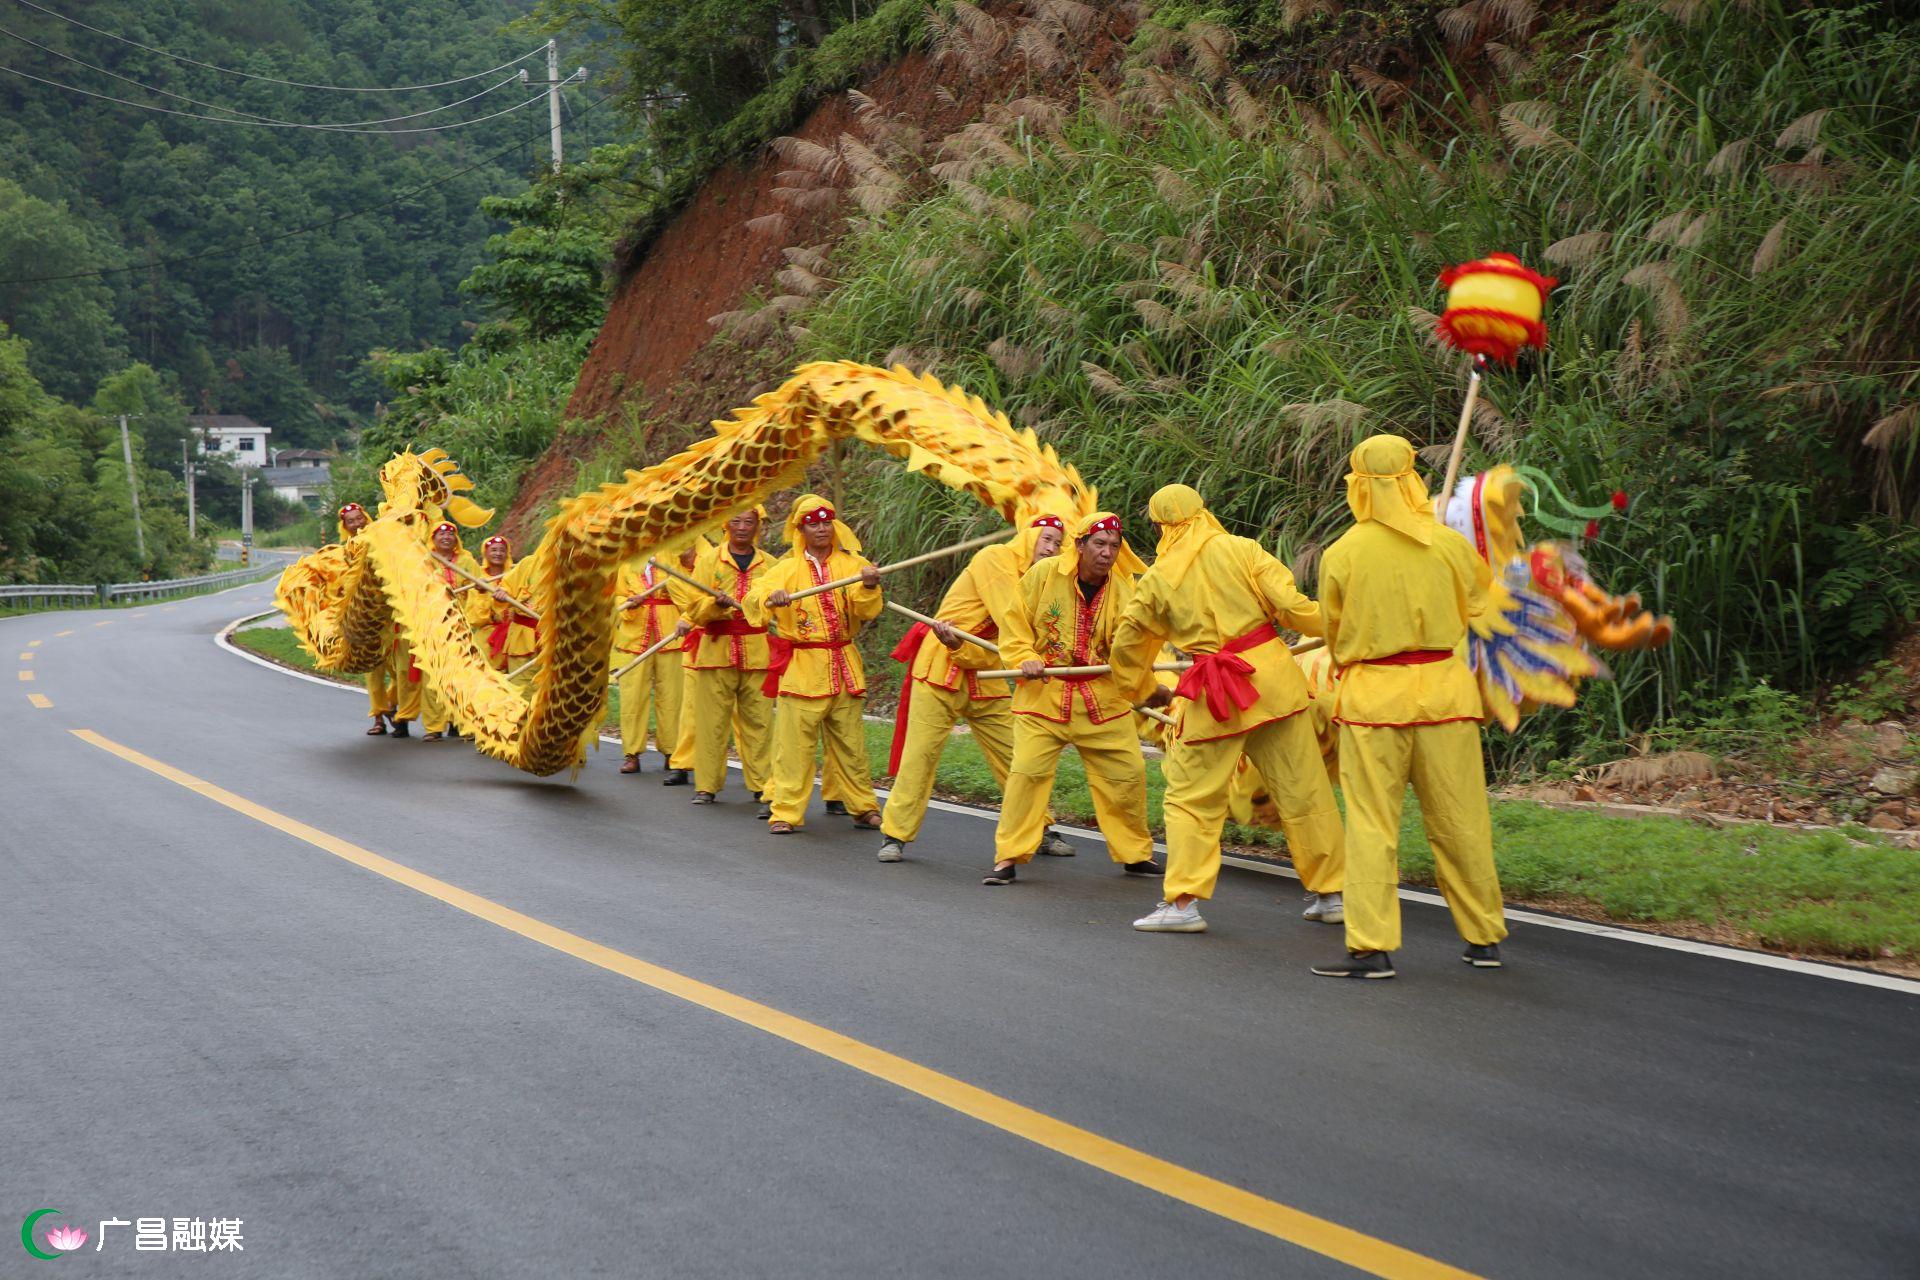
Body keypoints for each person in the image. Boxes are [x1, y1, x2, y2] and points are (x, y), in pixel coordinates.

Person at [1309, 434, 1505, 979]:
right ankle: (1484, 938)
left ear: (1361, 487)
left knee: (1373, 825)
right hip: (1446, 696)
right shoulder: (1448, 545)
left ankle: (1371, 949)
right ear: (1412, 480)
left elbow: (1333, 631)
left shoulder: (1342, 552)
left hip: (1375, 701)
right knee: (1462, 818)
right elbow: (1478, 603)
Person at [1110, 484, 1345, 934]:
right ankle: (1331, 893)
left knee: (1191, 799)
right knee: (1304, 792)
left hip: (1214, 697)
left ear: (1161, 526)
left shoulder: (1158, 578)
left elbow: (1130, 640)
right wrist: (1344, 625)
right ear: (1202, 512)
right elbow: (1294, 609)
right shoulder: (1242, 549)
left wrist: (1141, 689)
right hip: (1275, 687)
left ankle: (1182, 906)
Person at [877, 514, 1071, 864]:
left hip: (986, 670)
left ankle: (1039, 828)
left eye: (1059, 543)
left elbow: (1043, 626)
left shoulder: (1040, 581)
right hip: (942, 665)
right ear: (1028, 537)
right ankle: (895, 835)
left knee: (1016, 756)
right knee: (921, 756)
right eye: (1047, 539)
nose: (1052, 547)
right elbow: (1011, 615)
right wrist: (1031, 654)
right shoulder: (995, 558)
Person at [983, 512, 1160, 886]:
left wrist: (1143, 683)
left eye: (1114, 546)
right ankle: (1009, 857)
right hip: (1044, 697)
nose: (1107, 553)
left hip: (1103, 700)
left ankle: (1135, 854)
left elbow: (1132, 648)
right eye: (1099, 544)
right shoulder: (1043, 575)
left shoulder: (1126, 590)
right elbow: (1015, 625)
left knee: (1128, 774)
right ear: (1079, 546)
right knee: (1026, 775)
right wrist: (1024, 658)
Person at [745, 496, 885, 834]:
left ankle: (863, 807)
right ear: (801, 529)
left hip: (844, 664)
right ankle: (786, 812)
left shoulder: (854, 566)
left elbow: (866, 611)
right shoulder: (785, 569)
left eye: (826, 522)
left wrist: (868, 586)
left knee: (852, 746)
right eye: (813, 523)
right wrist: (770, 597)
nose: (821, 529)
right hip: (803, 668)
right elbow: (752, 599)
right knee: (794, 748)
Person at [681, 507, 777, 812]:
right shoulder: (708, 561)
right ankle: (707, 786)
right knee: (711, 723)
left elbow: (775, 611)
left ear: (758, 526)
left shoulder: (771, 565)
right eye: (736, 521)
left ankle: (763, 787)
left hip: (758, 652)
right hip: (716, 650)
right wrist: (715, 604)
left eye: (749, 522)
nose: (742, 527)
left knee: (760, 723)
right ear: (726, 525)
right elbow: (693, 608)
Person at [611, 552, 687, 774]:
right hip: (634, 637)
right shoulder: (624, 563)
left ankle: (672, 752)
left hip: (670, 634)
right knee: (632, 697)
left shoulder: (673, 557)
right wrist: (627, 603)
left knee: (672, 696)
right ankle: (631, 753)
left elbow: (686, 586)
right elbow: (615, 595)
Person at [337, 503, 397, 736]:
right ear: (345, 526)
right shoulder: (345, 552)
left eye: (359, 518)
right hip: (363, 620)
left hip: (389, 615)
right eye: (350, 521)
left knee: (400, 668)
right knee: (373, 673)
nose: (357, 523)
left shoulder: (382, 541)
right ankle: (379, 718)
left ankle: (392, 704)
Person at [421, 521, 479, 741]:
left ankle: (461, 723)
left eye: (451, 534)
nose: (446, 537)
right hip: (432, 624)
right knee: (432, 675)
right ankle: (434, 727)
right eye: (441, 533)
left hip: (461, 625)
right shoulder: (424, 558)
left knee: (462, 675)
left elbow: (478, 586)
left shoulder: (466, 561)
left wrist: (479, 587)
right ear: (433, 539)